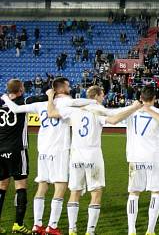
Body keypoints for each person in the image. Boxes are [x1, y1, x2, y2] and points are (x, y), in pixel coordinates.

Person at [1, 77, 93, 235]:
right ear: (61, 89)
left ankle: (37, 225)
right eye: (68, 86)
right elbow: (82, 102)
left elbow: (15, 109)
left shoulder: (38, 104)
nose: (70, 88)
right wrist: (94, 101)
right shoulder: (64, 101)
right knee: (60, 185)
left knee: (41, 185)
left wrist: (3, 97)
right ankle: (52, 226)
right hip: (57, 149)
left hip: (42, 150)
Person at [48, 86, 142, 235]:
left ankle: (72, 229)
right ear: (97, 95)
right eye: (103, 94)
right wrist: (134, 108)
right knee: (96, 192)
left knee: (75, 191)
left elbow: (51, 113)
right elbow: (114, 119)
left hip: (76, 155)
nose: (104, 97)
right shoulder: (97, 109)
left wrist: (49, 98)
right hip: (92, 154)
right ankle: (90, 231)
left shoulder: (74, 109)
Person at [125, 87, 159, 235]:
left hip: (135, 157)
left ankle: (131, 230)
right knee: (156, 192)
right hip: (153, 157)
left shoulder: (131, 111)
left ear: (141, 96)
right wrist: (149, 109)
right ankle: (150, 230)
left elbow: (113, 118)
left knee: (134, 193)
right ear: (155, 98)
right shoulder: (158, 112)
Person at [0, 79, 32, 234]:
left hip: (0, 150)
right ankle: (18, 224)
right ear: (20, 89)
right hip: (17, 150)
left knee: (1, 187)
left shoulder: (0, 103)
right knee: (20, 187)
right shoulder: (22, 101)